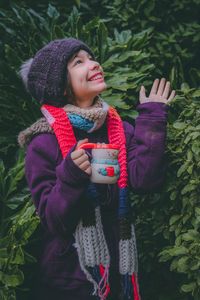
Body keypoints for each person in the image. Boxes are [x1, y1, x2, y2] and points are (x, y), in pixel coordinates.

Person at [18, 38, 175, 300]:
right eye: (79, 62)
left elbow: (145, 180)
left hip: (116, 273)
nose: (94, 63)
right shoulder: (43, 142)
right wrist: (70, 175)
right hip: (69, 283)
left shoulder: (117, 129)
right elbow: (54, 220)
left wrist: (152, 117)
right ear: (62, 86)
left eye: (91, 57)